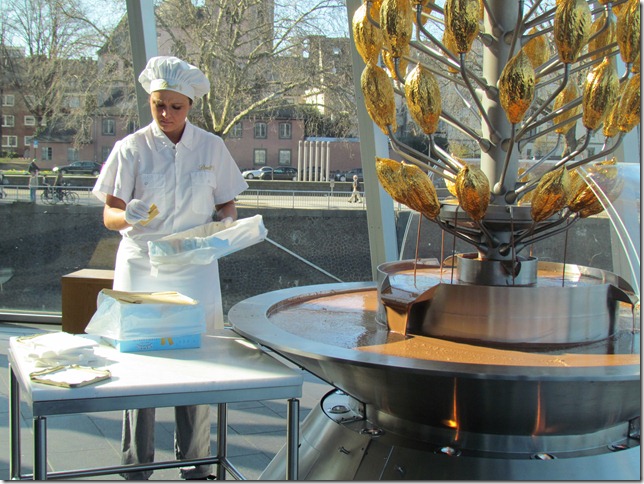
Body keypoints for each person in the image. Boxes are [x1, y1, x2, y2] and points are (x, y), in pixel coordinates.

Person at [92, 56, 248, 480]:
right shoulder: (131, 148)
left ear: (190, 105)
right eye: (158, 105)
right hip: (143, 263)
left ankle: (196, 464)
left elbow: (227, 203)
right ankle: (136, 466)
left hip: (195, 263)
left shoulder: (211, 148)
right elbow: (109, 215)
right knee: (138, 360)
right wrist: (127, 215)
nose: (165, 114)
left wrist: (227, 224)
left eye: (175, 107)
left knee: (197, 357)